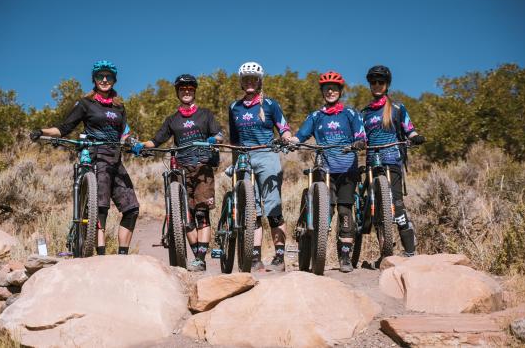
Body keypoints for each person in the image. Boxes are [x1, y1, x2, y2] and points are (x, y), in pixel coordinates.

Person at [30, 60, 140, 255]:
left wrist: (131, 141)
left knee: (132, 208)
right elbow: (65, 128)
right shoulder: (85, 103)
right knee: (101, 207)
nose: (104, 80)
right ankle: (101, 253)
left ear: (114, 80)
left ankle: (123, 255)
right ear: (94, 79)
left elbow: (125, 132)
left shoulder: (119, 106)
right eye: (100, 76)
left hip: (115, 158)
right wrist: (41, 131)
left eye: (108, 76)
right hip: (96, 156)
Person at [134, 74, 223, 272]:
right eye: (182, 89)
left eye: (190, 88)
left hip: (202, 166)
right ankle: (197, 255)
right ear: (177, 92)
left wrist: (214, 140)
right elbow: (156, 141)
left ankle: (200, 258)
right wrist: (141, 146)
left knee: (201, 213)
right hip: (180, 169)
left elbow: (219, 133)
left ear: (194, 91)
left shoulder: (205, 115)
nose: (186, 91)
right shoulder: (172, 120)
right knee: (185, 216)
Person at [288, 71, 367, 272]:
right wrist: (292, 142)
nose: (330, 91)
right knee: (325, 211)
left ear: (340, 91)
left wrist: (359, 142)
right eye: (326, 88)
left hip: (347, 169)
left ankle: (345, 257)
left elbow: (361, 135)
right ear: (322, 91)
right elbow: (301, 135)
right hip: (324, 168)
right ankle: (315, 245)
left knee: (344, 211)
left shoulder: (350, 114)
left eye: (334, 88)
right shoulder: (316, 116)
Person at [229, 61, 292, 272]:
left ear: (259, 81)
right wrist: (234, 163)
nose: (249, 82)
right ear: (241, 82)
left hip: (267, 154)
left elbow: (284, 129)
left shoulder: (270, 105)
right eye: (245, 79)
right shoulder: (234, 107)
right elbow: (234, 141)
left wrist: (287, 138)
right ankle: (255, 257)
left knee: (273, 207)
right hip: (245, 157)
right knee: (251, 210)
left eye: (253, 79)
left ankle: (279, 257)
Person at [361, 65, 425, 258]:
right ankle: (384, 250)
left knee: (396, 204)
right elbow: (361, 136)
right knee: (374, 208)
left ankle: (410, 251)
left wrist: (414, 136)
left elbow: (409, 128)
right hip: (373, 161)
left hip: (392, 160)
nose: (377, 85)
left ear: (387, 84)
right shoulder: (364, 113)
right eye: (374, 82)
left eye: (381, 82)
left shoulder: (397, 108)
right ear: (370, 85)